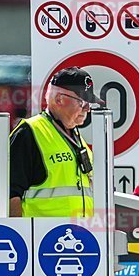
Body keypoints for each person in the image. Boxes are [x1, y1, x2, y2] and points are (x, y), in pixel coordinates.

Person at [9, 67, 104, 217]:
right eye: (82, 102)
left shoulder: (76, 137)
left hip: (82, 235)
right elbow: (10, 194)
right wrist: (19, 235)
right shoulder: (29, 133)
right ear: (59, 99)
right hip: (40, 237)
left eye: (89, 104)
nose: (87, 109)